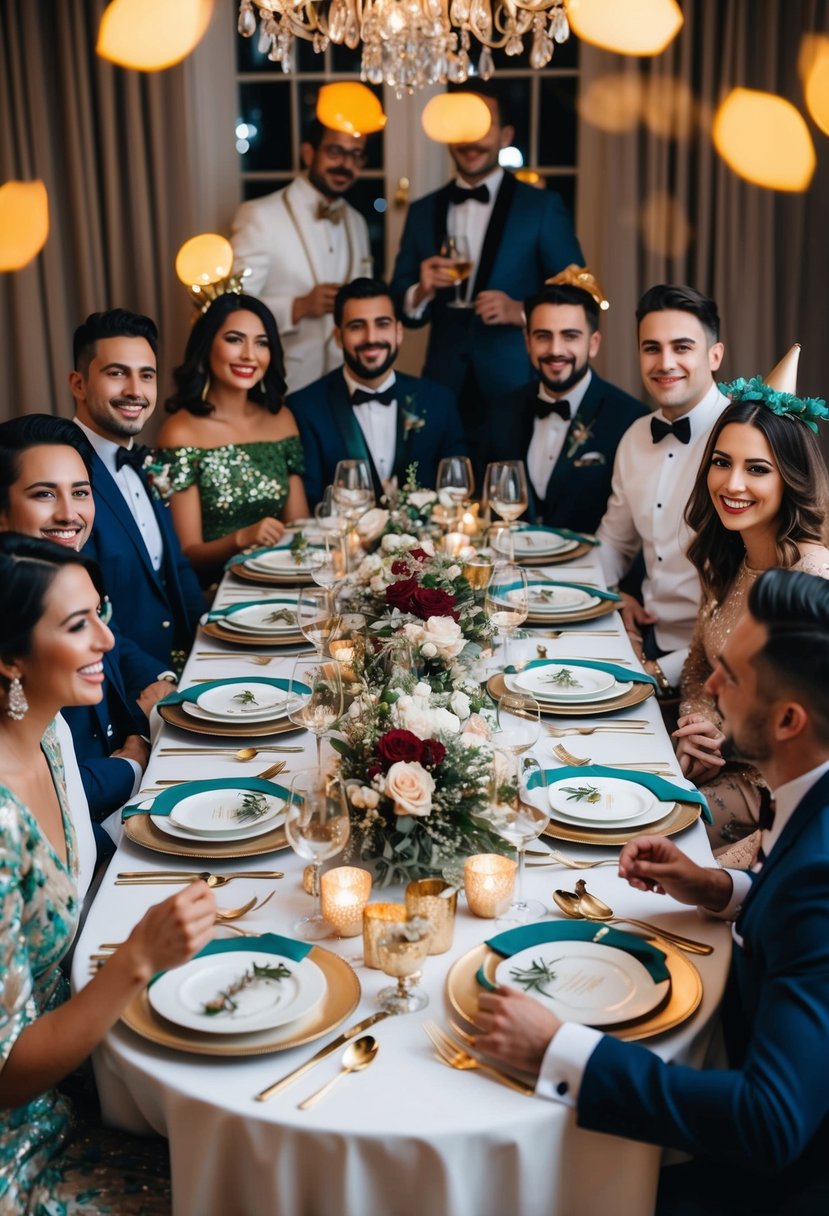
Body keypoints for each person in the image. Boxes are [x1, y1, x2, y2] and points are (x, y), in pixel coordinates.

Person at [478, 567, 829, 1216]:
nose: (710, 687)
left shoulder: (818, 878)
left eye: (732, 675)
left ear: (786, 719)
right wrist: (719, 886)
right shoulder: (808, 787)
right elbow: (795, 914)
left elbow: (769, 1122)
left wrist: (560, 1050)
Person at [0, 532, 216, 1213]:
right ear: (9, 658)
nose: (105, 641)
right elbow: (5, 1074)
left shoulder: (53, 739)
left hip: (78, 1071)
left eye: (101, 614)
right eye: (76, 625)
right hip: (24, 1143)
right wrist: (137, 958)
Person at [389, 84, 583, 480]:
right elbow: (399, 303)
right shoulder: (423, 210)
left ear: (505, 135)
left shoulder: (541, 208)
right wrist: (421, 289)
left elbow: (579, 292)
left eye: (483, 125)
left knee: (509, 491)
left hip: (516, 383)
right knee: (441, 490)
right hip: (442, 384)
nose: (471, 139)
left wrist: (521, 311)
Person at [675, 377, 829, 852]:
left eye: (757, 469)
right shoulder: (727, 556)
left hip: (775, 798)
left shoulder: (812, 582)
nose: (732, 483)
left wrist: (724, 744)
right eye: (722, 462)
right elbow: (700, 672)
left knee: (650, 841)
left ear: (791, 479)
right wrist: (697, 730)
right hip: (714, 771)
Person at [0, 415, 158, 826]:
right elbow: (34, 795)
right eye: (44, 494)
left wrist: (162, 688)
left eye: (81, 492)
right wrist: (130, 765)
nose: (69, 514)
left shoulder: (73, 575)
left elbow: (115, 641)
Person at [597, 284, 729, 697]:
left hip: (723, 666)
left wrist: (654, 671)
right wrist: (609, 595)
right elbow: (614, 544)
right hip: (647, 639)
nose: (665, 362)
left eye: (682, 347)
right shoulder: (636, 436)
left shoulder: (743, 442)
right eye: (651, 348)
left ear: (714, 355)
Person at [70, 309, 205, 677]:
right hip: (122, 687)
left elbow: (174, 565)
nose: (135, 390)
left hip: (181, 666)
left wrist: (211, 634)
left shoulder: (146, 461)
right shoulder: (64, 478)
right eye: (117, 373)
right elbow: (84, 615)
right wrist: (157, 679)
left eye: (146, 375)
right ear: (78, 384)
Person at [156, 293, 309, 584]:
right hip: (217, 590)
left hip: (282, 580)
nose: (249, 355)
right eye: (235, 339)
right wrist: (241, 538)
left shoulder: (282, 419)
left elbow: (298, 527)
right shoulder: (180, 431)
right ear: (207, 345)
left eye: (261, 343)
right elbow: (187, 554)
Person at [485, 272, 647, 532]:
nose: (555, 350)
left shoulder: (630, 418)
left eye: (570, 336)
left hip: (593, 570)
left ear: (593, 344)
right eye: (543, 336)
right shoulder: (503, 411)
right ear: (528, 342)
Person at [288, 277, 468, 507]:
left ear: (399, 332)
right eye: (357, 326)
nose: (371, 338)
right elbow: (310, 503)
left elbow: (456, 492)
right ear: (338, 337)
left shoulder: (439, 401)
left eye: (382, 324)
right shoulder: (305, 408)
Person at [230, 119, 372, 393]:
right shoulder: (260, 215)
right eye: (335, 152)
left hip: (346, 384)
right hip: (284, 383)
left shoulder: (357, 221)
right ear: (309, 153)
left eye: (356, 155)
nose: (346, 163)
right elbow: (232, 308)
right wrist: (297, 307)